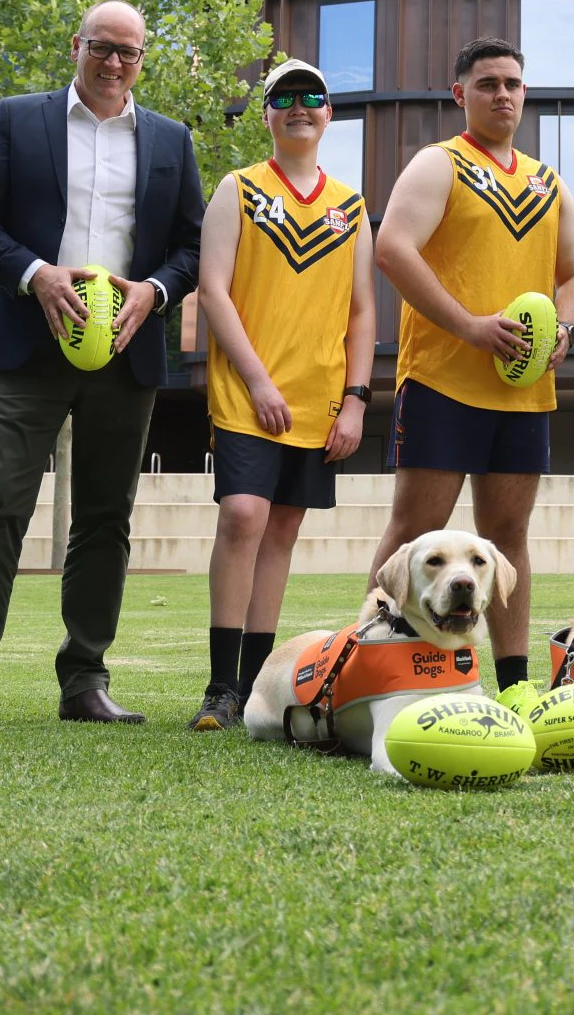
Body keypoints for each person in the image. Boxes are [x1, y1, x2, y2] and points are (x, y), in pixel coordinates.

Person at [0, 1, 205, 732]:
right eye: (102, 48)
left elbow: (192, 246)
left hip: (125, 350)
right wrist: (34, 273)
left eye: (130, 53)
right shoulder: (21, 118)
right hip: (29, 345)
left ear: (144, 58)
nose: (115, 64)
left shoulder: (172, 140)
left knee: (106, 517)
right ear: (76, 44)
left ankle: (85, 677)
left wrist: (156, 290)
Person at [369, 37, 574, 713]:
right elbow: (391, 247)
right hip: (442, 378)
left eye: (514, 83)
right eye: (489, 82)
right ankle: (374, 661)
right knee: (415, 531)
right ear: (459, 93)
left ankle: (517, 685)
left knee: (507, 539)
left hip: (523, 389)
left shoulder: (549, 182)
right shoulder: (440, 164)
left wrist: (569, 329)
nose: (503, 94)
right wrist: (469, 324)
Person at [186, 59, 373, 731]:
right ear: (266, 114)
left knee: (284, 529)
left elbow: (361, 313)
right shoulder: (236, 190)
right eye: (284, 96)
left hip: (319, 399)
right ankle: (218, 686)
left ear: (328, 114)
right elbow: (213, 290)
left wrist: (355, 399)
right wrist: (259, 379)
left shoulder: (350, 206)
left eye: (312, 96)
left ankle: (256, 685)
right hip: (247, 390)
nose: (299, 105)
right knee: (242, 514)